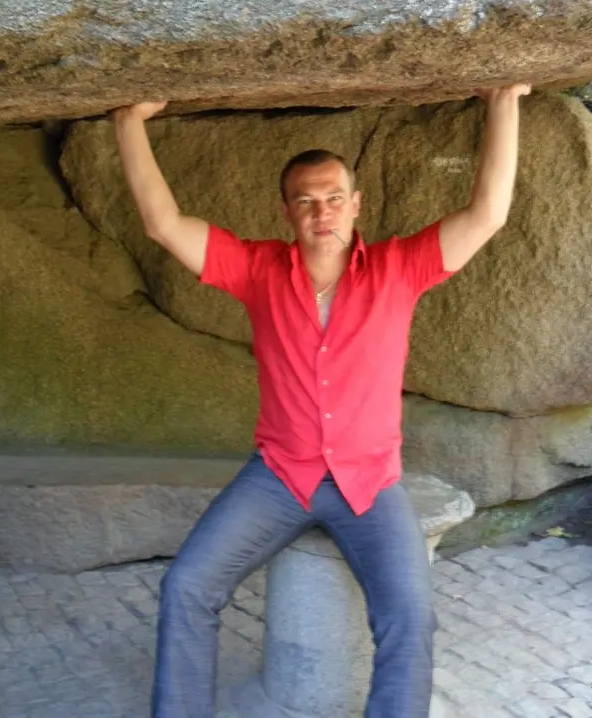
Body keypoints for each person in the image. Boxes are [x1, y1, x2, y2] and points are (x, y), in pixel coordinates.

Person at [112, 83, 531, 718]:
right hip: (279, 475)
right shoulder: (257, 270)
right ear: (286, 211)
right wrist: (128, 121)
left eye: (334, 198)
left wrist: (502, 103)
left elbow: (487, 214)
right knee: (187, 586)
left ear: (356, 204)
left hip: (370, 480)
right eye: (306, 202)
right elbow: (163, 224)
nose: (322, 212)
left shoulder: (398, 268)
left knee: (411, 616)